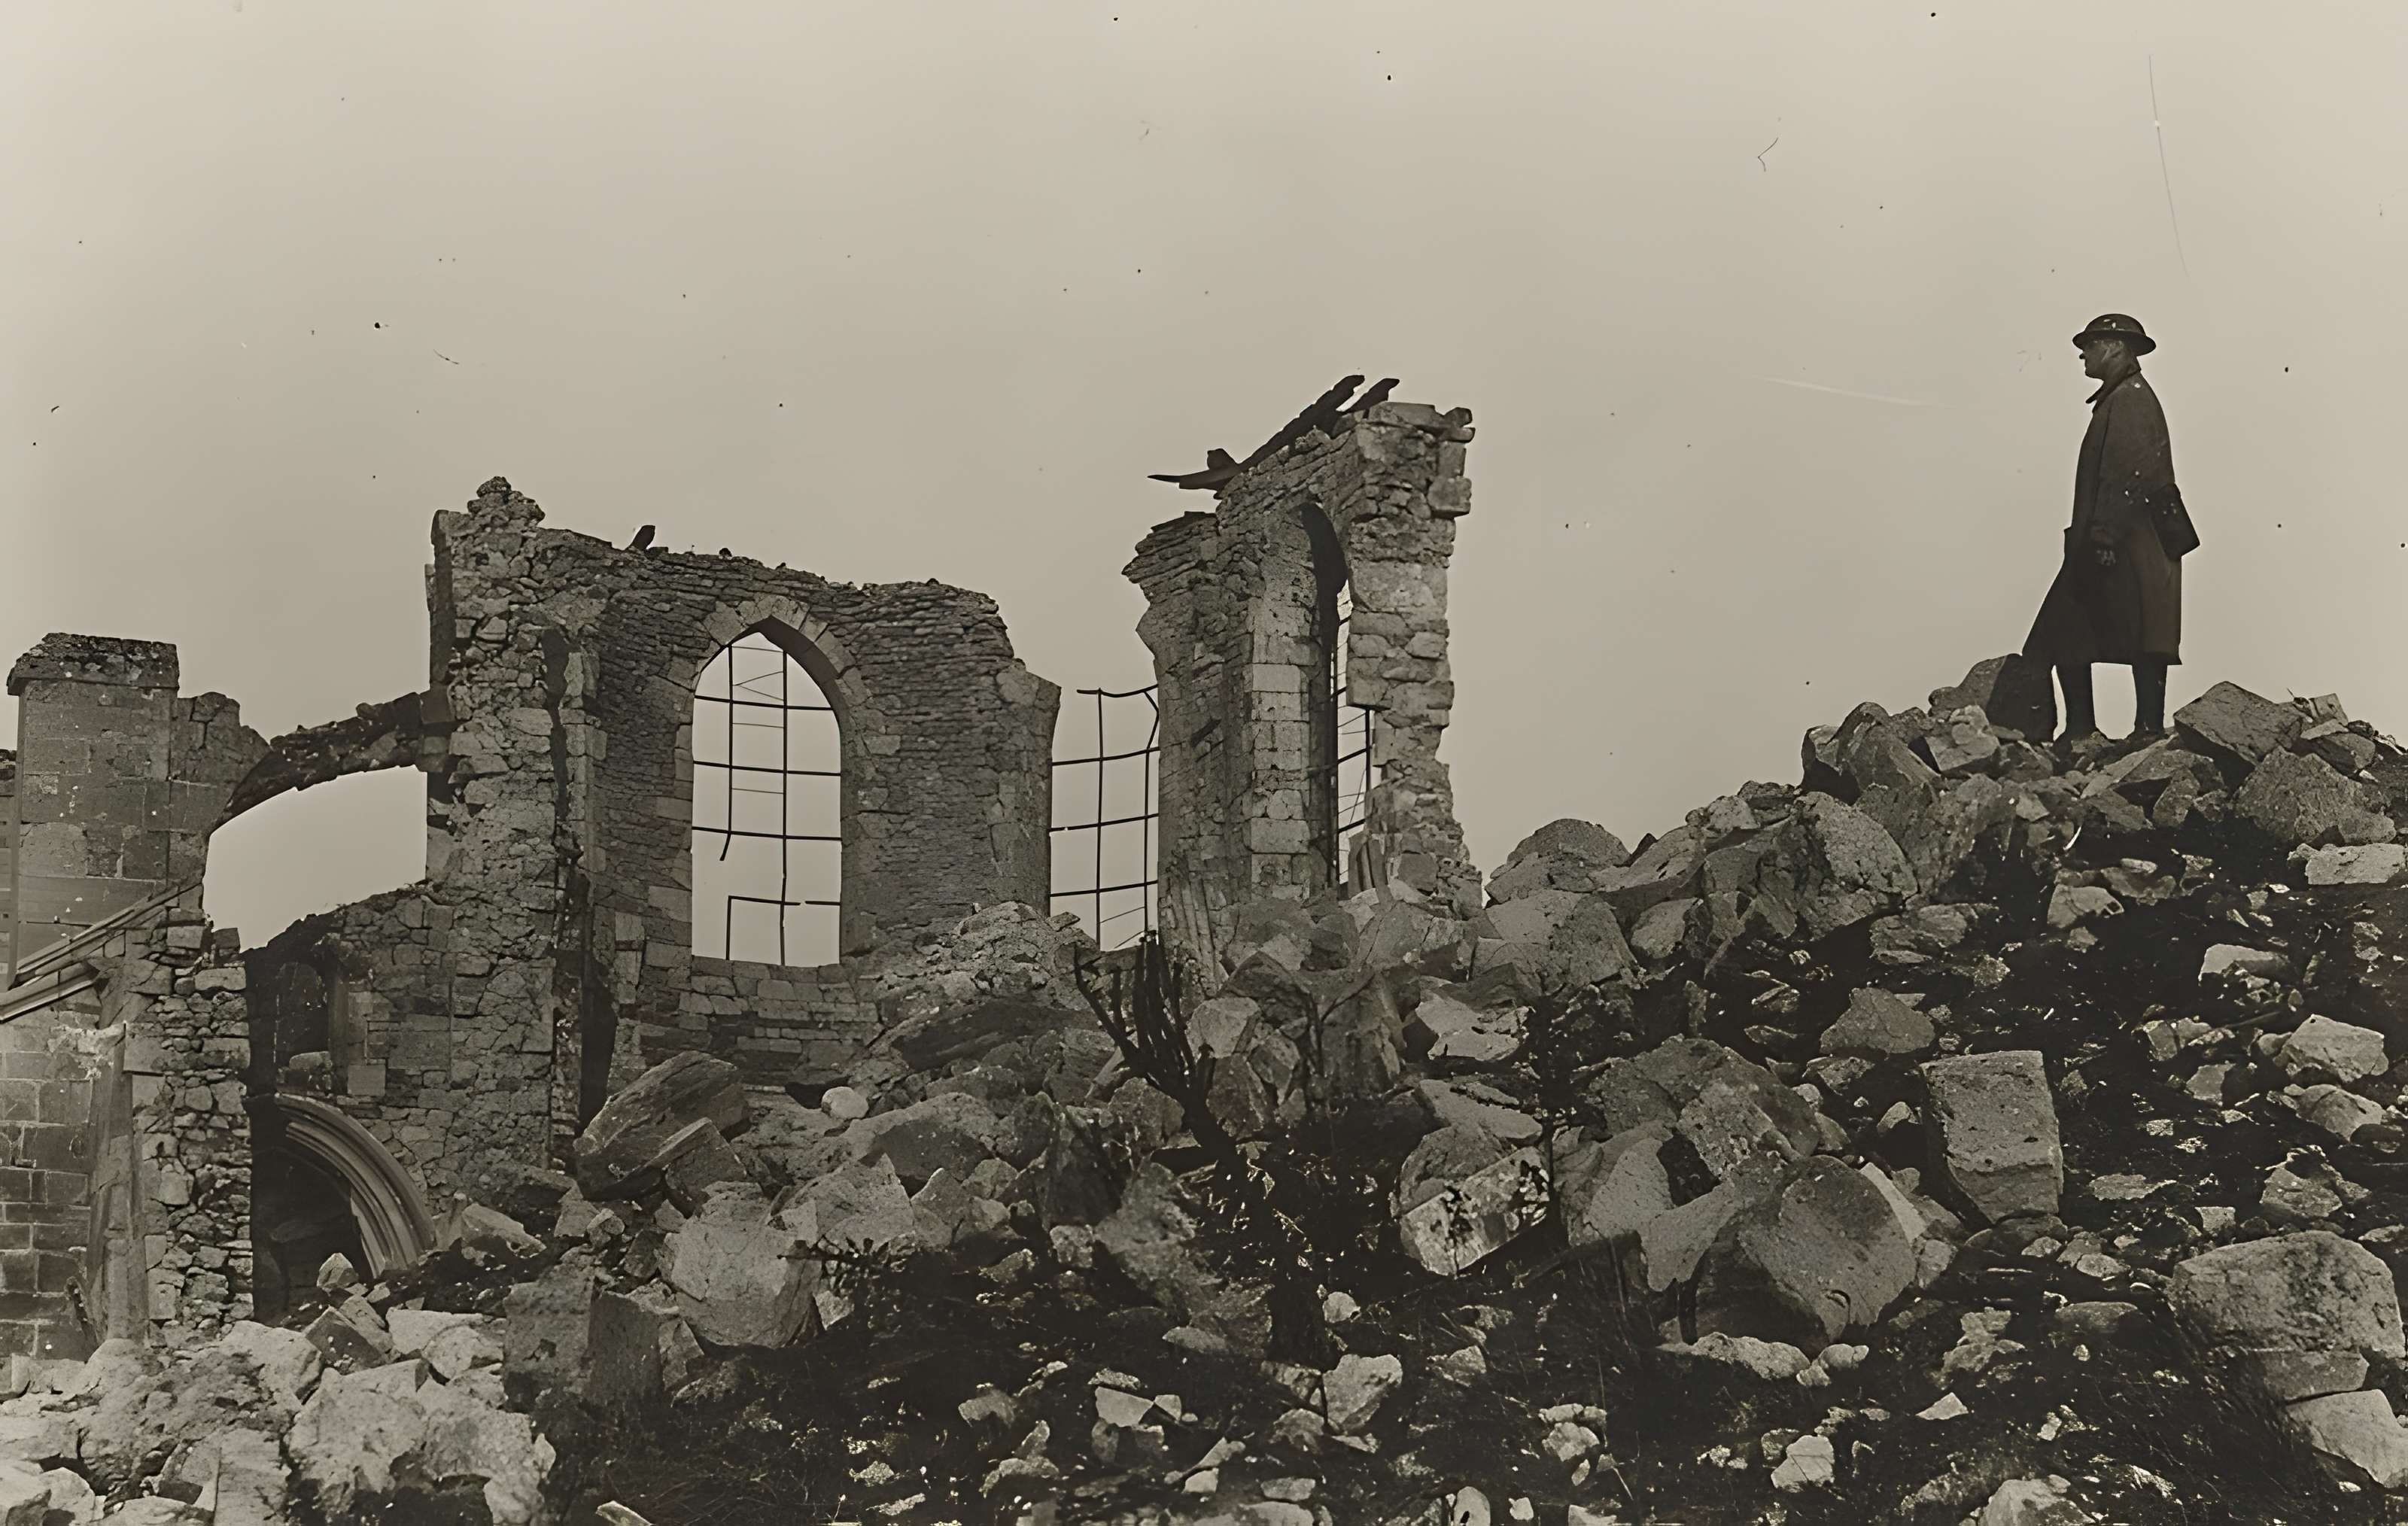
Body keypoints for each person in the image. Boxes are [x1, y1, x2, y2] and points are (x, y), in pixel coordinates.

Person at [2021, 313, 2185, 754]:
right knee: (2136, 632)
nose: (2083, 353)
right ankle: (2129, 729)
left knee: (2066, 628)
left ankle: (2087, 732)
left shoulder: (2129, 400)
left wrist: (2103, 537)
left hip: (2121, 542)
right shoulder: (2125, 397)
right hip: (2127, 541)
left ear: (2114, 347)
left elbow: (2128, 475)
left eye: (2090, 345)